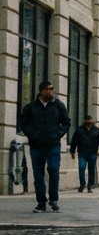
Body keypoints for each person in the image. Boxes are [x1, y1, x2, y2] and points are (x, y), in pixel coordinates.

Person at [18, 81, 70, 213]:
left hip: (53, 145)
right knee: (38, 175)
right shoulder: (31, 107)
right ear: (41, 91)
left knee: (53, 170)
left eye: (52, 89)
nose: (51, 92)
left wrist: (58, 134)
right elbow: (24, 123)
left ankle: (54, 200)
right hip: (36, 145)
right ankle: (41, 202)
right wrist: (32, 135)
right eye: (48, 89)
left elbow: (66, 122)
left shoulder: (58, 105)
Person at [69, 115, 99, 192]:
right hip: (82, 152)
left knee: (91, 169)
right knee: (81, 168)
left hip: (93, 152)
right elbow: (74, 141)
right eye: (88, 121)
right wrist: (72, 151)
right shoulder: (80, 130)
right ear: (85, 121)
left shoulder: (97, 131)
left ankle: (90, 185)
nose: (89, 123)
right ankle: (82, 184)